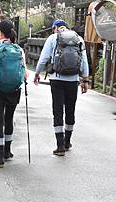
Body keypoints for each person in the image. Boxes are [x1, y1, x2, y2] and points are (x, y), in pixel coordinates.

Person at [34, 19, 89, 156]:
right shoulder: (78, 38)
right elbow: (84, 61)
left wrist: (36, 73)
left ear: (55, 28)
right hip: (73, 80)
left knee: (58, 111)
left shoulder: (53, 38)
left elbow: (44, 58)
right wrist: (85, 80)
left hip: (56, 80)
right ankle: (67, 141)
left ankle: (60, 146)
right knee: (70, 110)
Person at [0, 20, 27, 168]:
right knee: (9, 118)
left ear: (0, 33)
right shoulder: (19, 50)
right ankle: (8, 151)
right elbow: (24, 72)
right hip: (14, 90)